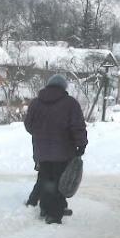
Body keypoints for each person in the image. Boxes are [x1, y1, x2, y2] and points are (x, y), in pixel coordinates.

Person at [24, 74, 87, 224]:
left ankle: (45, 209)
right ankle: (54, 215)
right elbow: (77, 126)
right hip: (64, 152)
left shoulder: (35, 103)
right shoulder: (70, 104)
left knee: (47, 181)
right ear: (63, 87)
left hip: (42, 152)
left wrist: (41, 134)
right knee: (60, 183)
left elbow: (28, 125)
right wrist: (81, 144)